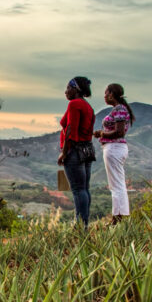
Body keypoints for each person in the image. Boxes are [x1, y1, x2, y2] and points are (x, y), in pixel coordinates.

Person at [93, 83, 135, 225]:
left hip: (114, 147)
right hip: (115, 148)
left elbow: (119, 131)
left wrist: (102, 133)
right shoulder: (120, 109)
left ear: (111, 94)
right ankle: (119, 215)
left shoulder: (119, 109)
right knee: (117, 183)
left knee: (116, 185)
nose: (104, 96)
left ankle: (117, 218)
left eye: (106, 93)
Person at [58, 76, 95, 227]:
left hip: (74, 151)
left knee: (78, 190)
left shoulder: (74, 104)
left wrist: (64, 153)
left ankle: (81, 225)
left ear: (76, 89)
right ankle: (84, 223)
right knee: (84, 189)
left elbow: (70, 130)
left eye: (68, 88)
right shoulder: (88, 106)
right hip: (87, 150)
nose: (66, 91)